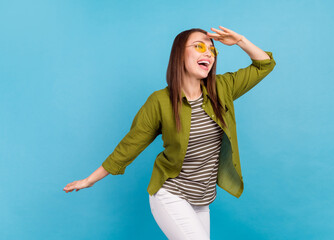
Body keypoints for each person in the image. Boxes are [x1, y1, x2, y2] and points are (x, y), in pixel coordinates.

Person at [63, 26, 276, 239]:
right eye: (199, 46)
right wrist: (89, 180)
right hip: (171, 194)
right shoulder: (160, 102)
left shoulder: (223, 88)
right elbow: (130, 145)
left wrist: (240, 40)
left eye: (212, 50)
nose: (208, 54)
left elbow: (264, 65)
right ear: (179, 54)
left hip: (202, 199)